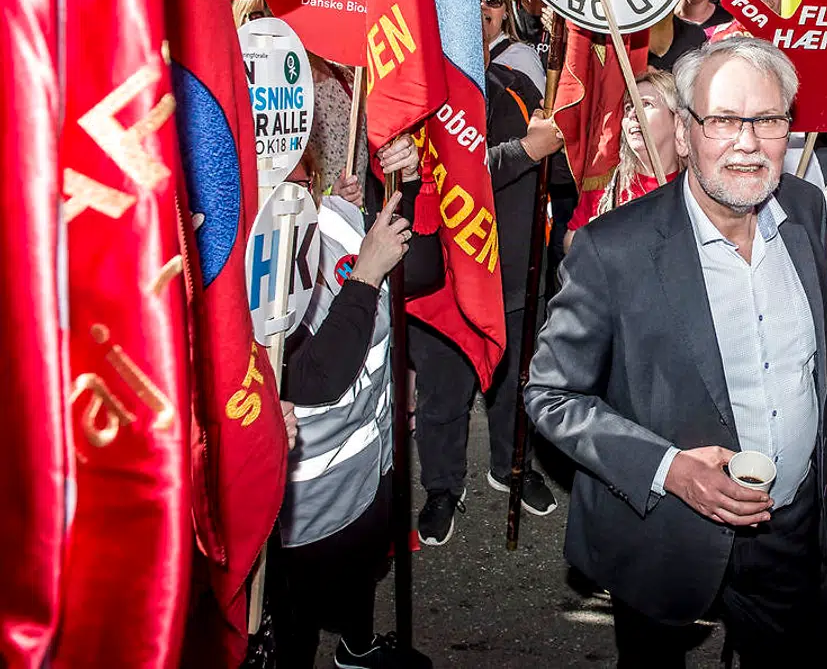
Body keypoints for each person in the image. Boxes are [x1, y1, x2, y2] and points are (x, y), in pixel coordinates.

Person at [526, 36, 827, 666]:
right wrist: (668, 468)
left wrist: (824, 451)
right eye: (724, 120)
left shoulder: (807, 210)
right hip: (665, 530)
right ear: (687, 127)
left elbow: (814, 358)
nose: (748, 143)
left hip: (791, 522)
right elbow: (550, 394)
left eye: (768, 119)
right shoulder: (612, 249)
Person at [271, 135, 442, 669]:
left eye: (301, 181)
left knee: (362, 576)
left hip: (370, 469)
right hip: (303, 503)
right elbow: (313, 378)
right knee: (290, 628)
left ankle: (359, 649)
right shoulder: (251, 268)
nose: (294, 197)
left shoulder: (334, 218)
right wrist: (365, 275)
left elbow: (421, 273)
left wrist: (408, 188)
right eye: (280, 187)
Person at [411, 58, 568, 544]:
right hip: (446, 278)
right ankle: (442, 487)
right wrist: (525, 149)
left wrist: (557, 136)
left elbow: (557, 166)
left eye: (495, 1)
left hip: (516, 270)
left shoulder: (517, 84)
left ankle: (513, 467)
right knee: (442, 395)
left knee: (515, 387)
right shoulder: (419, 88)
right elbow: (444, 174)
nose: (483, 10)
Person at [565, 67, 685, 244]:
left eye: (646, 104)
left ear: (677, 120)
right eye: (628, 107)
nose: (632, 114)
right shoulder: (607, 181)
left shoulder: (693, 186)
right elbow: (569, 242)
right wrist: (594, 237)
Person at [480, 0, 545, 93]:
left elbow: (540, 110)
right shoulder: (451, 59)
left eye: (493, 0)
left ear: (506, 12)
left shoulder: (522, 56)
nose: (482, 6)